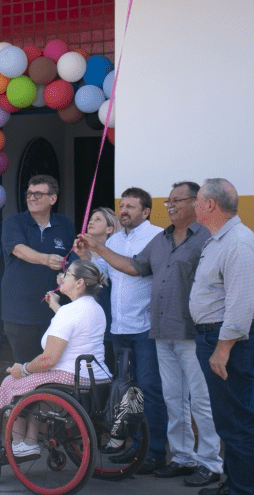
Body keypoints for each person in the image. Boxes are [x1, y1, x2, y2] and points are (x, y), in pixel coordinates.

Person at [78, 182, 222, 487]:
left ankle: (210, 463)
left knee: (199, 400)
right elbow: (131, 267)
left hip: (193, 331)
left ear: (196, 204)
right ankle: (181, 458)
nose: (170, 205)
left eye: (177, 201)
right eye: (168, 201)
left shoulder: (206, 239)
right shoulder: (162, 240)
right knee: (172, 398)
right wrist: (96, 250)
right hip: (161, 329)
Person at [83, 187, 167, 473]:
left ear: (146, 212)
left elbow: (135, 268)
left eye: (132, 206)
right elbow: (101, 278)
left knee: (148, 390)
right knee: (126, 391)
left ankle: (154, 451)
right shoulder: (116, 238)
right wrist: (86, 256)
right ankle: (132, 447)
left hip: (145, 327)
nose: (125, 211)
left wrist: (100, 248)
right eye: (123, 206)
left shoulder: (157, 236)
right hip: (119, 328)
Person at [0, 260, 111, 458]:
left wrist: (24, 369)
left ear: (79, 282)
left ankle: (22, 443)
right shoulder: (94, 308)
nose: (62, 277)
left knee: (11, 383)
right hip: (96, 379)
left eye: (67, 274)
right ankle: (29, 441)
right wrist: (56, 306)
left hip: (69, 380)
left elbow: (49, 360)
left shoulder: (70, 312)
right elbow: (74, 327)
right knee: (31, 382)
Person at [190, 178, 254, 495]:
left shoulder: (238, 243)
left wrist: (222, 348)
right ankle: (234, 484)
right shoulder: (219, 239)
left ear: (211, 205)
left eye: (197, 200)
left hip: (229, 343)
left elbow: (241, 303)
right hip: (216, 338)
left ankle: (244, 489)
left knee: (236, 421)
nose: (193, 205)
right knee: (228, 419)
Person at [1, 175, 76, 365]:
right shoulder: (14, 222)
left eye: (38, 194)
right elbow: (18, 249)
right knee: (25, 368)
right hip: (20, 311)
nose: (32, 198)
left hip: (57, 310)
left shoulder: (65, 224)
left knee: (56, 366)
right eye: (29, 194)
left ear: (53, 199)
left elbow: (73, 258)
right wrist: (46, 259)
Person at [84, 207, 119, 370]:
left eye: (98, 219)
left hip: (109, 322)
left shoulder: (116, 254)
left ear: (110, 228)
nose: (91, 221)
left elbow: (103, 282)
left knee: (109, 370)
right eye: (91, 218)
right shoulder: (76, 251)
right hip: (85, 323)